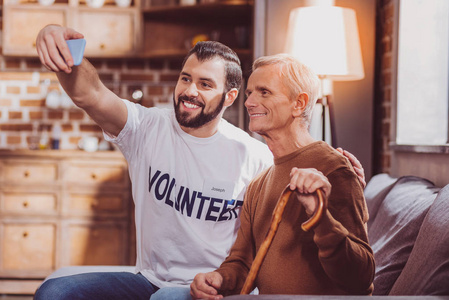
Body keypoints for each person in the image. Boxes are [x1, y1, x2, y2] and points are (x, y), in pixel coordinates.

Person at [34, 25, 366, 300]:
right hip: (149, 280)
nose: (190, 91)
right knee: (55, 292)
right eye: (185, 78)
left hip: (214, 289)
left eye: (205, 84)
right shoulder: (147, 127)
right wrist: (62, 48)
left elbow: (284, 221)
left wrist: (338, 179)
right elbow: (90, 95)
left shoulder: (257, 156)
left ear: (229, 96)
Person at [190, 54, 375, 299]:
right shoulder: (258, 183)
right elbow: (243, 264)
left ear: (299, 104)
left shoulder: (334, 169)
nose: (249, 102)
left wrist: (320, 218)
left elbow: (361, 277)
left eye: (264, 92)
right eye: (249, 93)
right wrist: (219, 279)